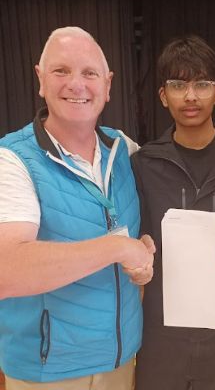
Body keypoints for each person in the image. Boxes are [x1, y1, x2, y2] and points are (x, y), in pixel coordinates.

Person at [0, 26, 155, 389]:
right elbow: (6, 270)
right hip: (49, 370)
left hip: (120, 360)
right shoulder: (12, 160)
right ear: (40, 79)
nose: (76, 84)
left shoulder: (123, 148)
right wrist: (118, 247)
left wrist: (142, 248)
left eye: (89, 73)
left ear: (108, 84)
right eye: (61, 71)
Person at [132, 35, 215, 390]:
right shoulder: (143, 165)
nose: (190, 96)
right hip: (161, 332)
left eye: (202, 84)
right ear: (163, 95)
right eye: (178, 85)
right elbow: (136, 234)